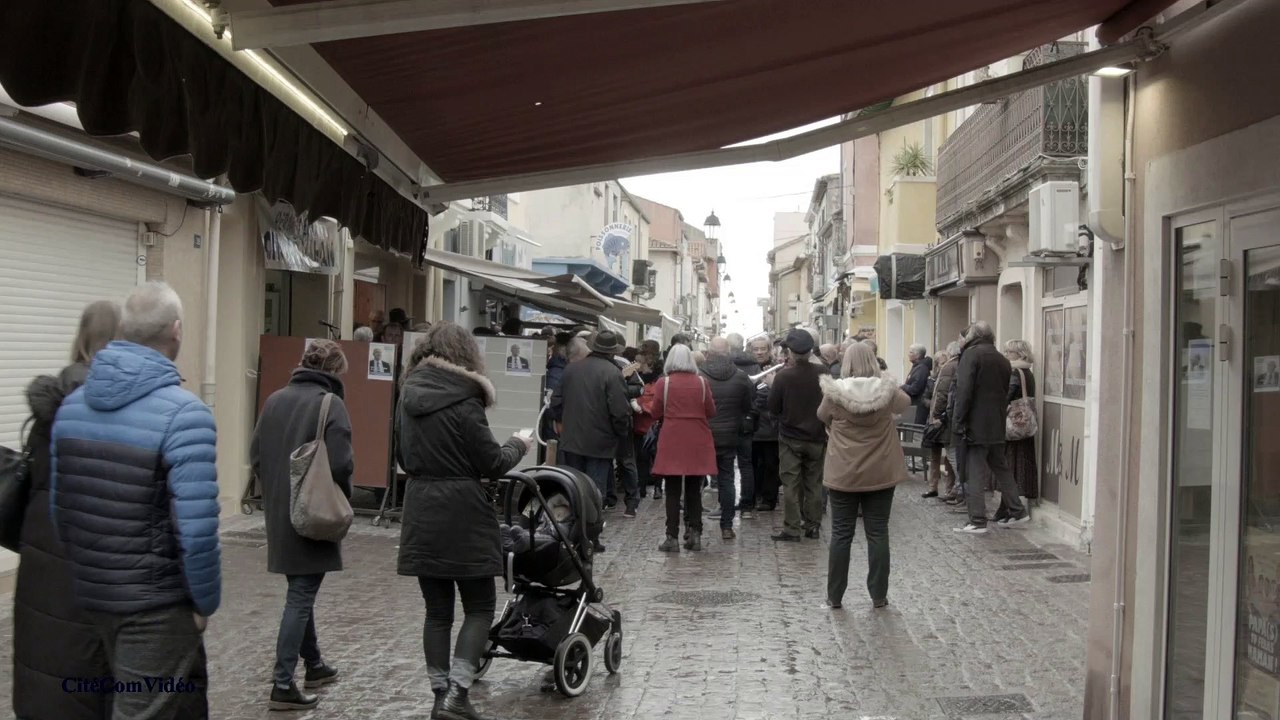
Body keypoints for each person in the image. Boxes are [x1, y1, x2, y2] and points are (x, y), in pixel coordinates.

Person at [50, 282, 220, 718]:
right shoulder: (186, 415)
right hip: (157, 604)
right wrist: (204, 604)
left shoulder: (71, 408)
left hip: (96, 594)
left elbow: (61, 511)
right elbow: (197, 531)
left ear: (124, 329)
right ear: (177, 331)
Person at [395, 323, 531, 720]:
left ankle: (441, 696)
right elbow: (492, 463)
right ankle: (456, 695)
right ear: (466, 356)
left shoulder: (407, 396)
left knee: (436, 611)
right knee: (479, 605)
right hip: (464, 511)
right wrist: (517, 444)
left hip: (421, 507)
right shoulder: (466, 400)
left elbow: (402, 457)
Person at [14, 300, 119, 720]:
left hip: (44, 564)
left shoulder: (50, 408)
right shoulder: (123, 409)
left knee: (46, 671)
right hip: (98, 564)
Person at [251, 339, 353, 711]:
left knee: (300, 585)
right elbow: (341, 464)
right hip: (314, 510)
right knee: (301, 593)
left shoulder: (275, 399)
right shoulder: (330, 404)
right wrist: (340, 497)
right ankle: (282, 682)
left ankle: (314, 665)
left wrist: (278, 492)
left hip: (280, 508)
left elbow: (256, 454)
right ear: (334, 372)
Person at [819, 343, 911, 610]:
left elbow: (821, 416)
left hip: (844, 470)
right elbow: (905, 403)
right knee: (878, 532)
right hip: (881, 469)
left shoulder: (834, 392)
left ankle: (834, 596)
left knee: (841, 534)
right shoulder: (887, 390)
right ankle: (879, 595)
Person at [951, 322, 1027, 534]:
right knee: (1001, 468)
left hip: (975, 425)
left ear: (972, 337)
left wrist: (959, 422)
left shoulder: (971, 356)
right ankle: (1017, 510)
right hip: (996, 423)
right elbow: (1003, 392)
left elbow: (964, 392)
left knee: (974, 472)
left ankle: (977, 520)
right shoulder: (1002, 359)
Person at [550, 330, 632, 515]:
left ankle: (573, 532)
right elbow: (620, 412)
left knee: (573, 488)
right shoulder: (613, 372)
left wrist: (562, 422)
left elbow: (555, 401)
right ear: (613, 351)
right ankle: (590, 536)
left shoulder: (571, 369)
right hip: (600, 442)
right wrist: (620, 435)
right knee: (594, 492)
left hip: (572, 440)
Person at [650, 345, 717, 552]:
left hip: (673, 436)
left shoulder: (664, 383)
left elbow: (655, 411)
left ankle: (672, 536)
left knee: (672, 490)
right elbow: (711, 411)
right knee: (694, 489)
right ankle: (695, 533)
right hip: (697, 436)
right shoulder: (702, 382)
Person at [769, 329, 829, 541]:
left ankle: (792, 528)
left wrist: (771, 385)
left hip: (790, 437)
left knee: (791, 484)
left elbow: (773, 407)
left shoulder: (784, 376)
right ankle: (813, 525)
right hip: (817, 436)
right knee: (814, 482)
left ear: (791, 352)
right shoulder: (823, 371)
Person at [700, 337, 756, 540]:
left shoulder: (699, 376)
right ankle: (727, 525)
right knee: (727, 479)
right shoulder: (740, 377)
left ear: (709, 352)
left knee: (697, 478)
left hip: (704, 434)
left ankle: (694, 526)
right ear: (729, 352)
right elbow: (748, 405)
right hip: (730, 435)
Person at [1001, 339, 1040, 518]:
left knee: (1010, 466)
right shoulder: (1027, 372)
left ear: (1019, 354)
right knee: (1018, 466)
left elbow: (1006, 396)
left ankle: (1010, 508)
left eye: (1009, 351)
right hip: (1024, 426)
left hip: (1014, 427)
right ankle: (1005, 507)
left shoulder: (1015, 372)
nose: (1006, 354)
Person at [727, 333, 760, 514]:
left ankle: (728, 501)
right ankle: (747, 502)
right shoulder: (754, 365)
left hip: (729, 420)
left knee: (727, 463)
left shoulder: (727, 366)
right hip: (747, 419)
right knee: (746, 464)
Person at [610, 350, 645, 516]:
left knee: (626, 461)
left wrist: (619, 387)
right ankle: (608, 498)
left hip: (621, 419)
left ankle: (632, 501)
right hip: (599, 420)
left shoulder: (622, 364)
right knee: (603, 461)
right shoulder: (590, 363)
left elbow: (640, 389)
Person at [924, 343, 961, 500]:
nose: (941, 363)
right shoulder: (950, 369)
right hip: (943, 417)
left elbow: (942, 394)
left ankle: (955, 489)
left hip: (942, 419)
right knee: (938, 454)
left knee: (951, 456)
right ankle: (940, 488)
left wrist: (937, 415)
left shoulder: (949, 368)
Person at [749, 337, 781, 512]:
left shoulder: (777, 369)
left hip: (770, 426)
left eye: (763, 349)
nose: (760, 352)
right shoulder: (748, 369)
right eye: (756, 349)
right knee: (752, 464)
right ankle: (754, 495)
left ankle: (769, 499)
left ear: (769, 350)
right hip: (753, 426)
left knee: (770, 464)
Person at [901, 344, 933, 425]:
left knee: (915, 432)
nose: (908, 354)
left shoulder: (921, 369)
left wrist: (902, 386)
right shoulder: (917, 367)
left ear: (917, 355)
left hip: (918, 407)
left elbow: (915, 389)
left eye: (911, 352)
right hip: (914, 406)